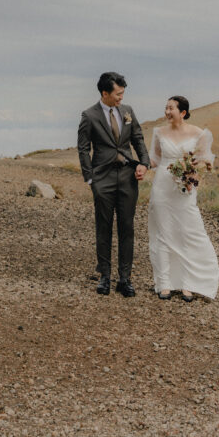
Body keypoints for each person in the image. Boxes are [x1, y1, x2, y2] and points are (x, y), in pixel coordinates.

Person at [77, 72, 150, 297]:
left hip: (128, 177)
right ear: (104, 93)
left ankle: (125, 279)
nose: (121, 98)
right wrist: (91, 179)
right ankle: (105, 277)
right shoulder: (89, 115)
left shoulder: (127, 111)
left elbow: (138, 138)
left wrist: (144, 164)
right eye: (117, 94)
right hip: (103, 179)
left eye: (123, 94)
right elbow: (83, 148)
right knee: (104, 228)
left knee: (127, 228)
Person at [148, 95, 219, 301]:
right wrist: (140, 166)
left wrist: (195, 170)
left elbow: (206, 158)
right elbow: (155, 159)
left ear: (183, 112)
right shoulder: (158, 132)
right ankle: (164, 284)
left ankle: (188, 284)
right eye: (166, 108)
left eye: (171, 108)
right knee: (163, 233)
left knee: (187, 231)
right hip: (162, 186)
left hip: (185, 188)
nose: (167, 112)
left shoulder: (199, 133)